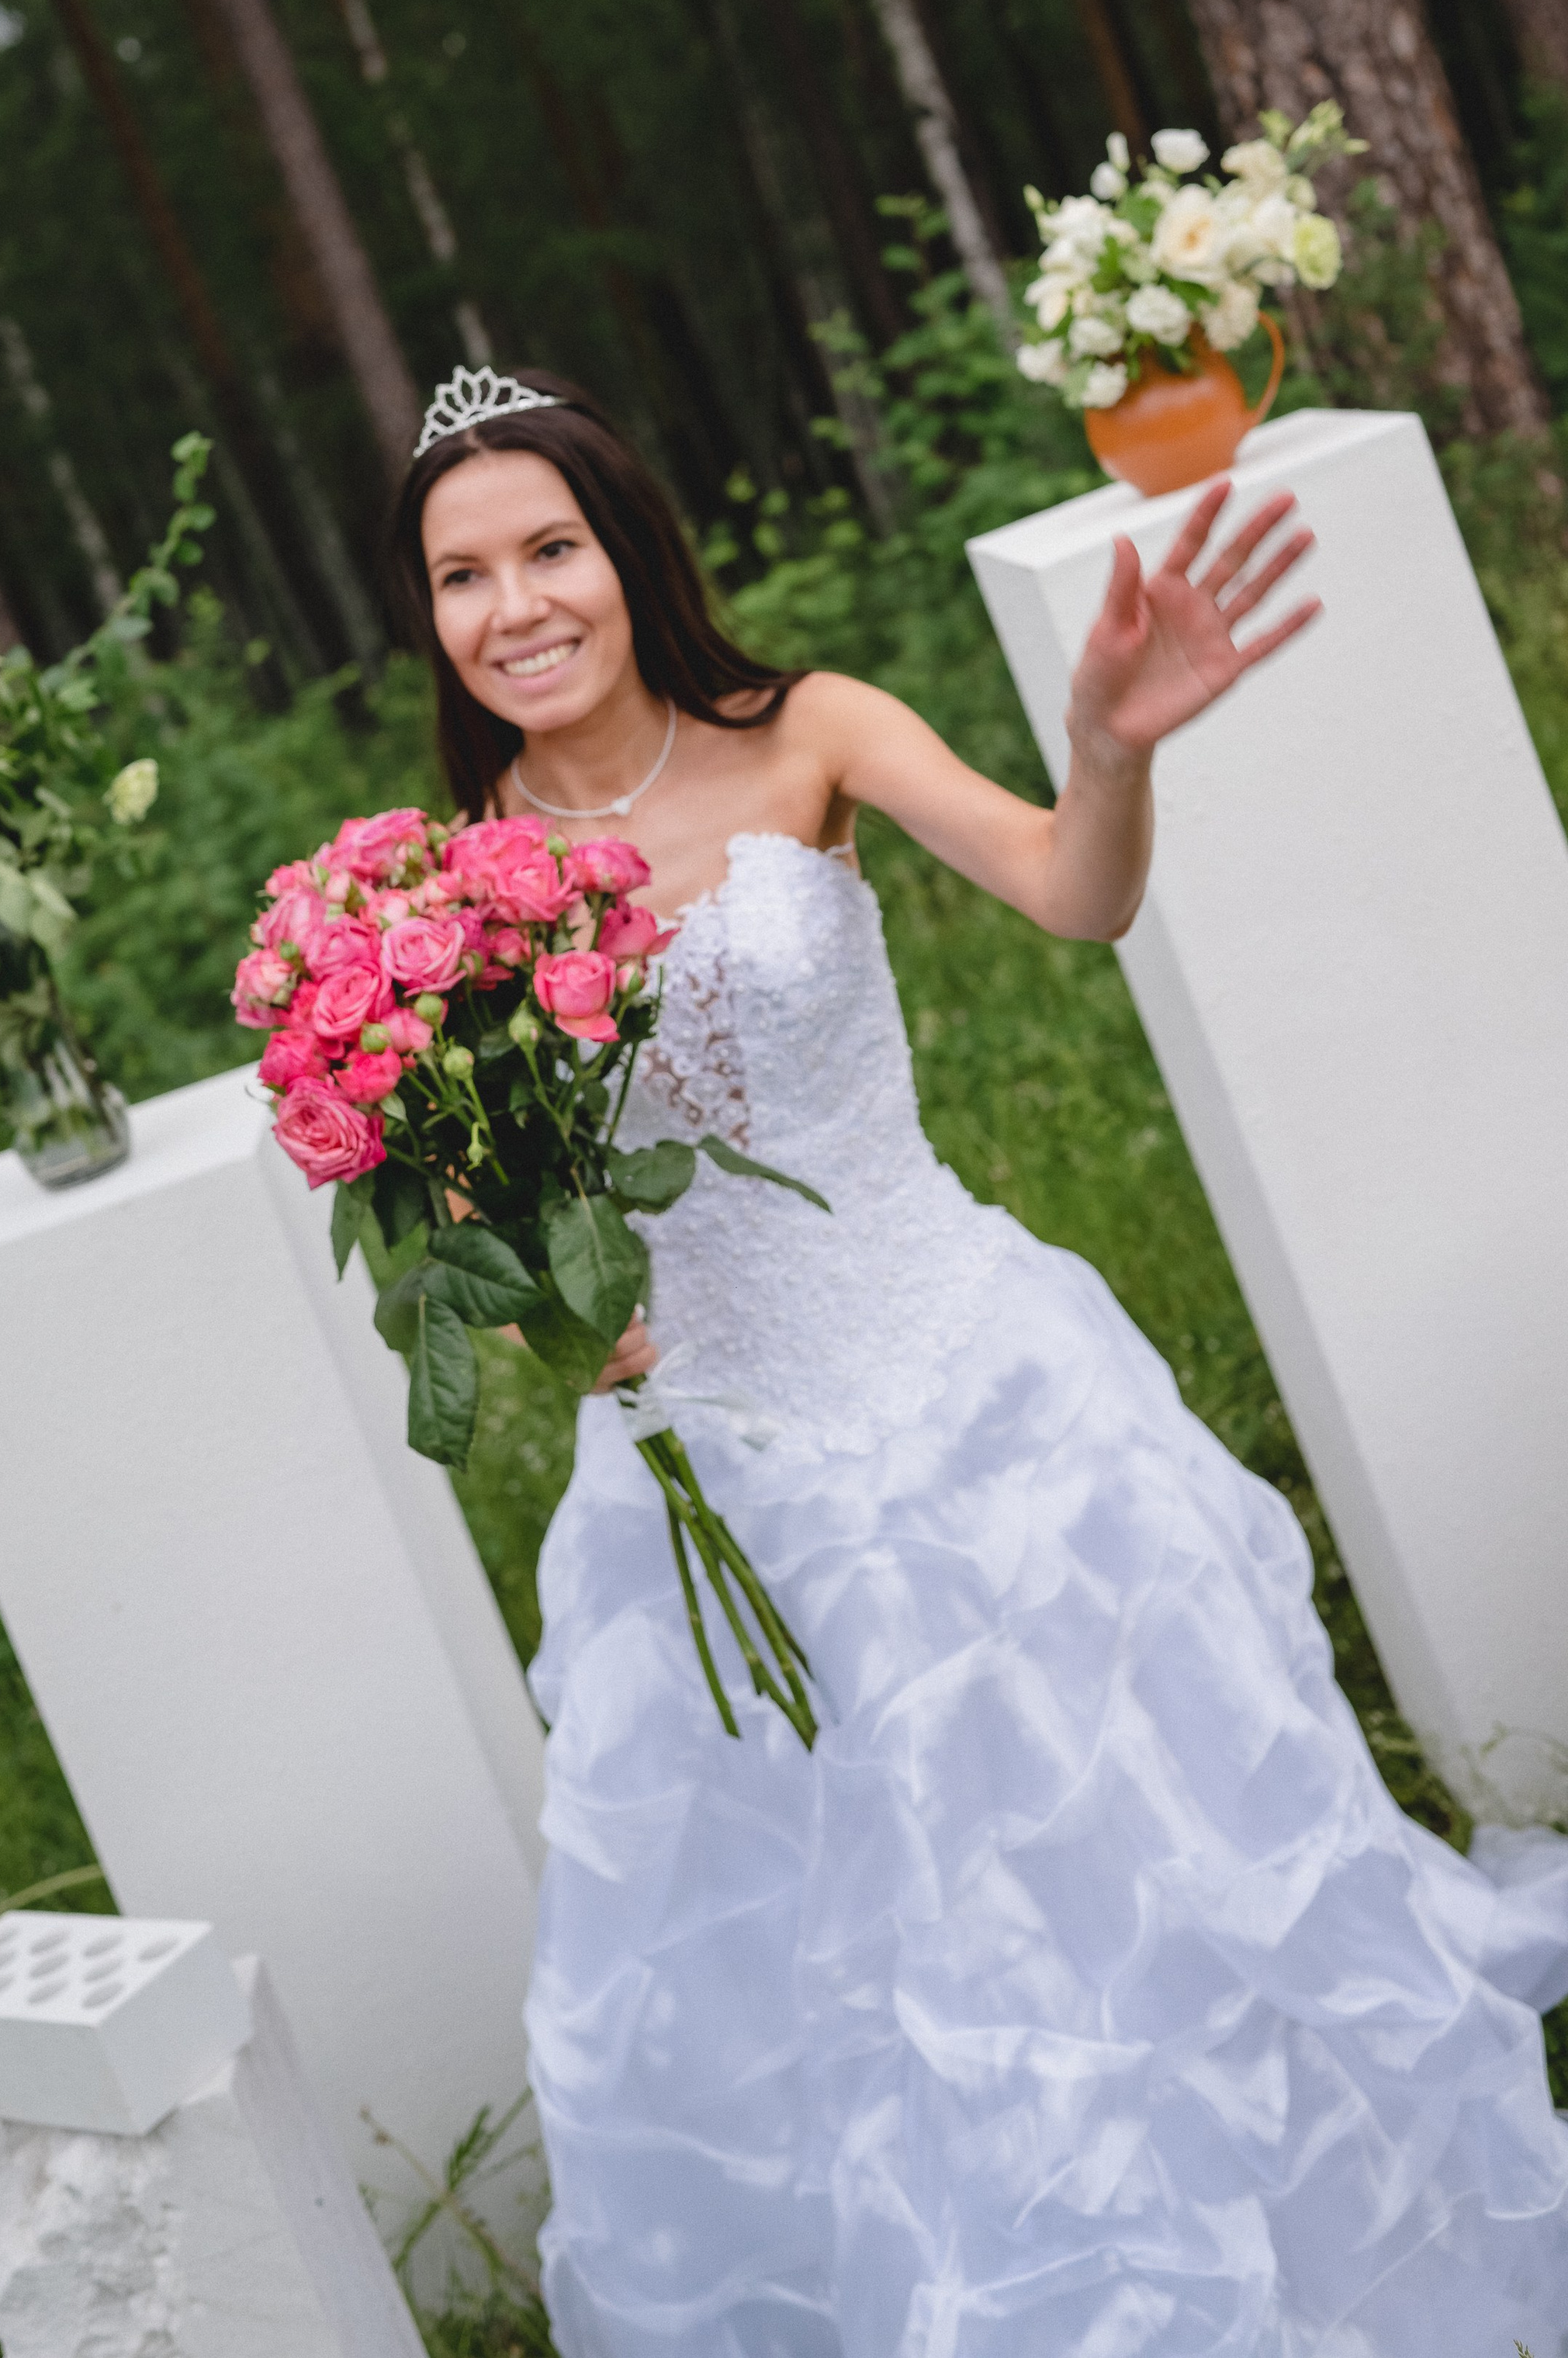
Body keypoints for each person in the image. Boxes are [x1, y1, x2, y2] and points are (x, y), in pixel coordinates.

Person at [389, 371, 1568, 2357]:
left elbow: (1068, 892)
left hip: (977, 1402)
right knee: (847, 1969)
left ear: (625, 549)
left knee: (1138, 1870)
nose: (513, 606)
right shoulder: (435, 896)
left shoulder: (806, 733)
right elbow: (466, 1227)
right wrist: (563, 1317)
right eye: (458, 575)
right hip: (724, 1488)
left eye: (547, 549)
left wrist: (1104, 751)